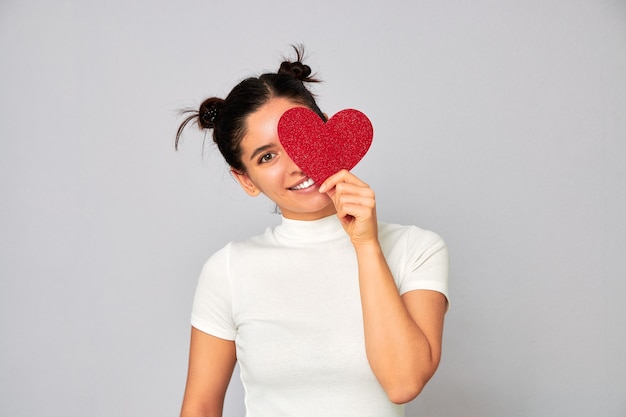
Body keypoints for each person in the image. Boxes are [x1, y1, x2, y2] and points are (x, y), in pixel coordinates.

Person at [175, 46, 449, 417]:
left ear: (330, 131)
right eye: (266, 156)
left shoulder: (416, 248)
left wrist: (366, 245)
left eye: (299, 140)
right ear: (246, 180)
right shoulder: (228, 269)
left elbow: (403, 383)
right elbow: (201, 408)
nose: (296, 165)